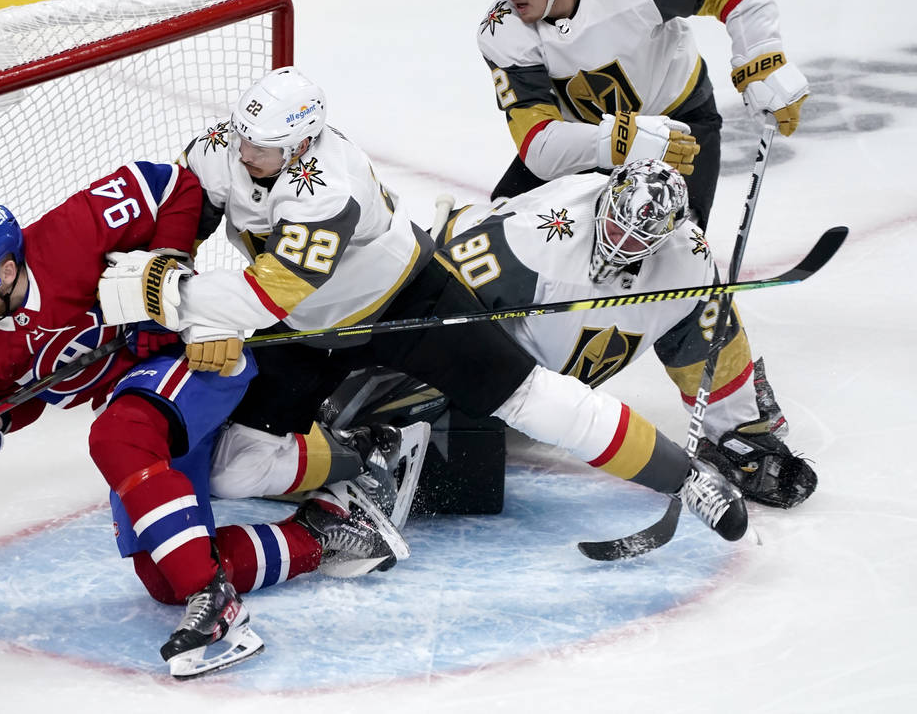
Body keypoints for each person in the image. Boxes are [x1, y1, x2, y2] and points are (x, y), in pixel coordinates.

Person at [98, 65, 752, 547]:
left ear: (300, 146)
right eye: (241, 137)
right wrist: (173, 262)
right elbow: (190, 195)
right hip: (309, 331)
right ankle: (363, 451)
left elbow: (270, 290)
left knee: (531, 398)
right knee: (231, 471)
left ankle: (684, 475)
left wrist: (169, 294)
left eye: (260, 146)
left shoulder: (326, 189)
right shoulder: (233, 146)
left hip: (408, 304)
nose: (243, 153)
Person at [0, 160, 407, 679]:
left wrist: (163, 280)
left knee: (117, 435)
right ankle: (325, 532)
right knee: (164, 577)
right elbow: (17, 397)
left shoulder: (72, 230)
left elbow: (172, 184)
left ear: (7, 270)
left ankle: (216, 601)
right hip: (142, 401)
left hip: (192, 353)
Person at [436, 158, 817, 508]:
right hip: (466, 270)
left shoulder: (688, 262)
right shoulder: (536, 237)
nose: (620, 243)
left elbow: (705, 346)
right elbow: (434, 292)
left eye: (638, 238)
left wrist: (736, 429)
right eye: (618, 225)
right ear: (605, 202)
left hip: (540, 389)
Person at [476, 0, 810, 228]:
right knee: (503, 226)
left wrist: (761, 57)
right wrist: (620, 140)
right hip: (588, 137)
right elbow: (538, 144)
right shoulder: (503, 31)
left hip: (681, 126)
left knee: (667, 247)